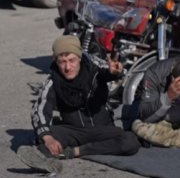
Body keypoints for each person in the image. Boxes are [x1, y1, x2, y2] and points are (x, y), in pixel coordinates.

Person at [17, 36, 140, 174]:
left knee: (130, 141)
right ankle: (44, 159)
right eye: (62, 62)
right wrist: (48, 138)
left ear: (80, 58)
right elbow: (40, 109)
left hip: (102, 130)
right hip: (74, 132)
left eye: (71, 60)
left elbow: (109, 73)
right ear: (55, 61)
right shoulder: (53, 81)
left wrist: (115, 73)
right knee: (43, 136)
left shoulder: (94, 70)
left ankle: (74, 152)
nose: (67, 67)